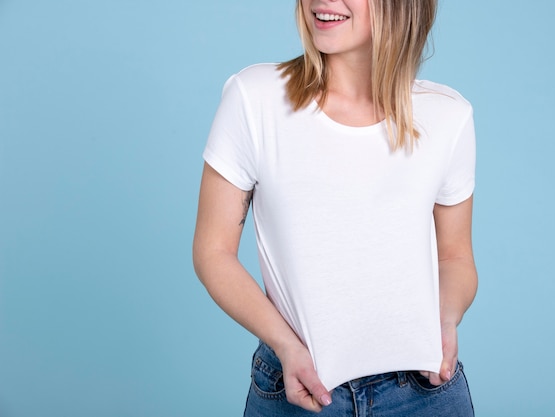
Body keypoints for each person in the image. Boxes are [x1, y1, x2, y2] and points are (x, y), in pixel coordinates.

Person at [193, 0, 478, 415]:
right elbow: (212, 252)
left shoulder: (447, 116)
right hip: (300, 388)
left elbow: (456, 256)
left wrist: (445, 321)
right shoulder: (255, 99)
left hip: (423, 392)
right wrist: (286, 346)